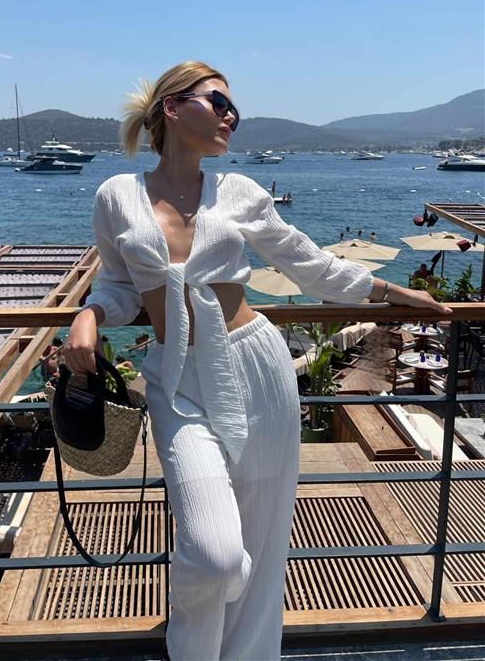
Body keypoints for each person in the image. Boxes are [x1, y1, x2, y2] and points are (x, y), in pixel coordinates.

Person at [63, 61, 451, 661]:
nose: (231, 117)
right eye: (218, 103)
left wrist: (393, 291)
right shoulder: (116, 195)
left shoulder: (239, 192)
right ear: (172, 107)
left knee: (265, 546)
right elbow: (118, 285)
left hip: (257, 369)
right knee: (214, 555)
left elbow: (310, 264)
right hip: (177, 381)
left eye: (234, 111)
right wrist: (89, 314)